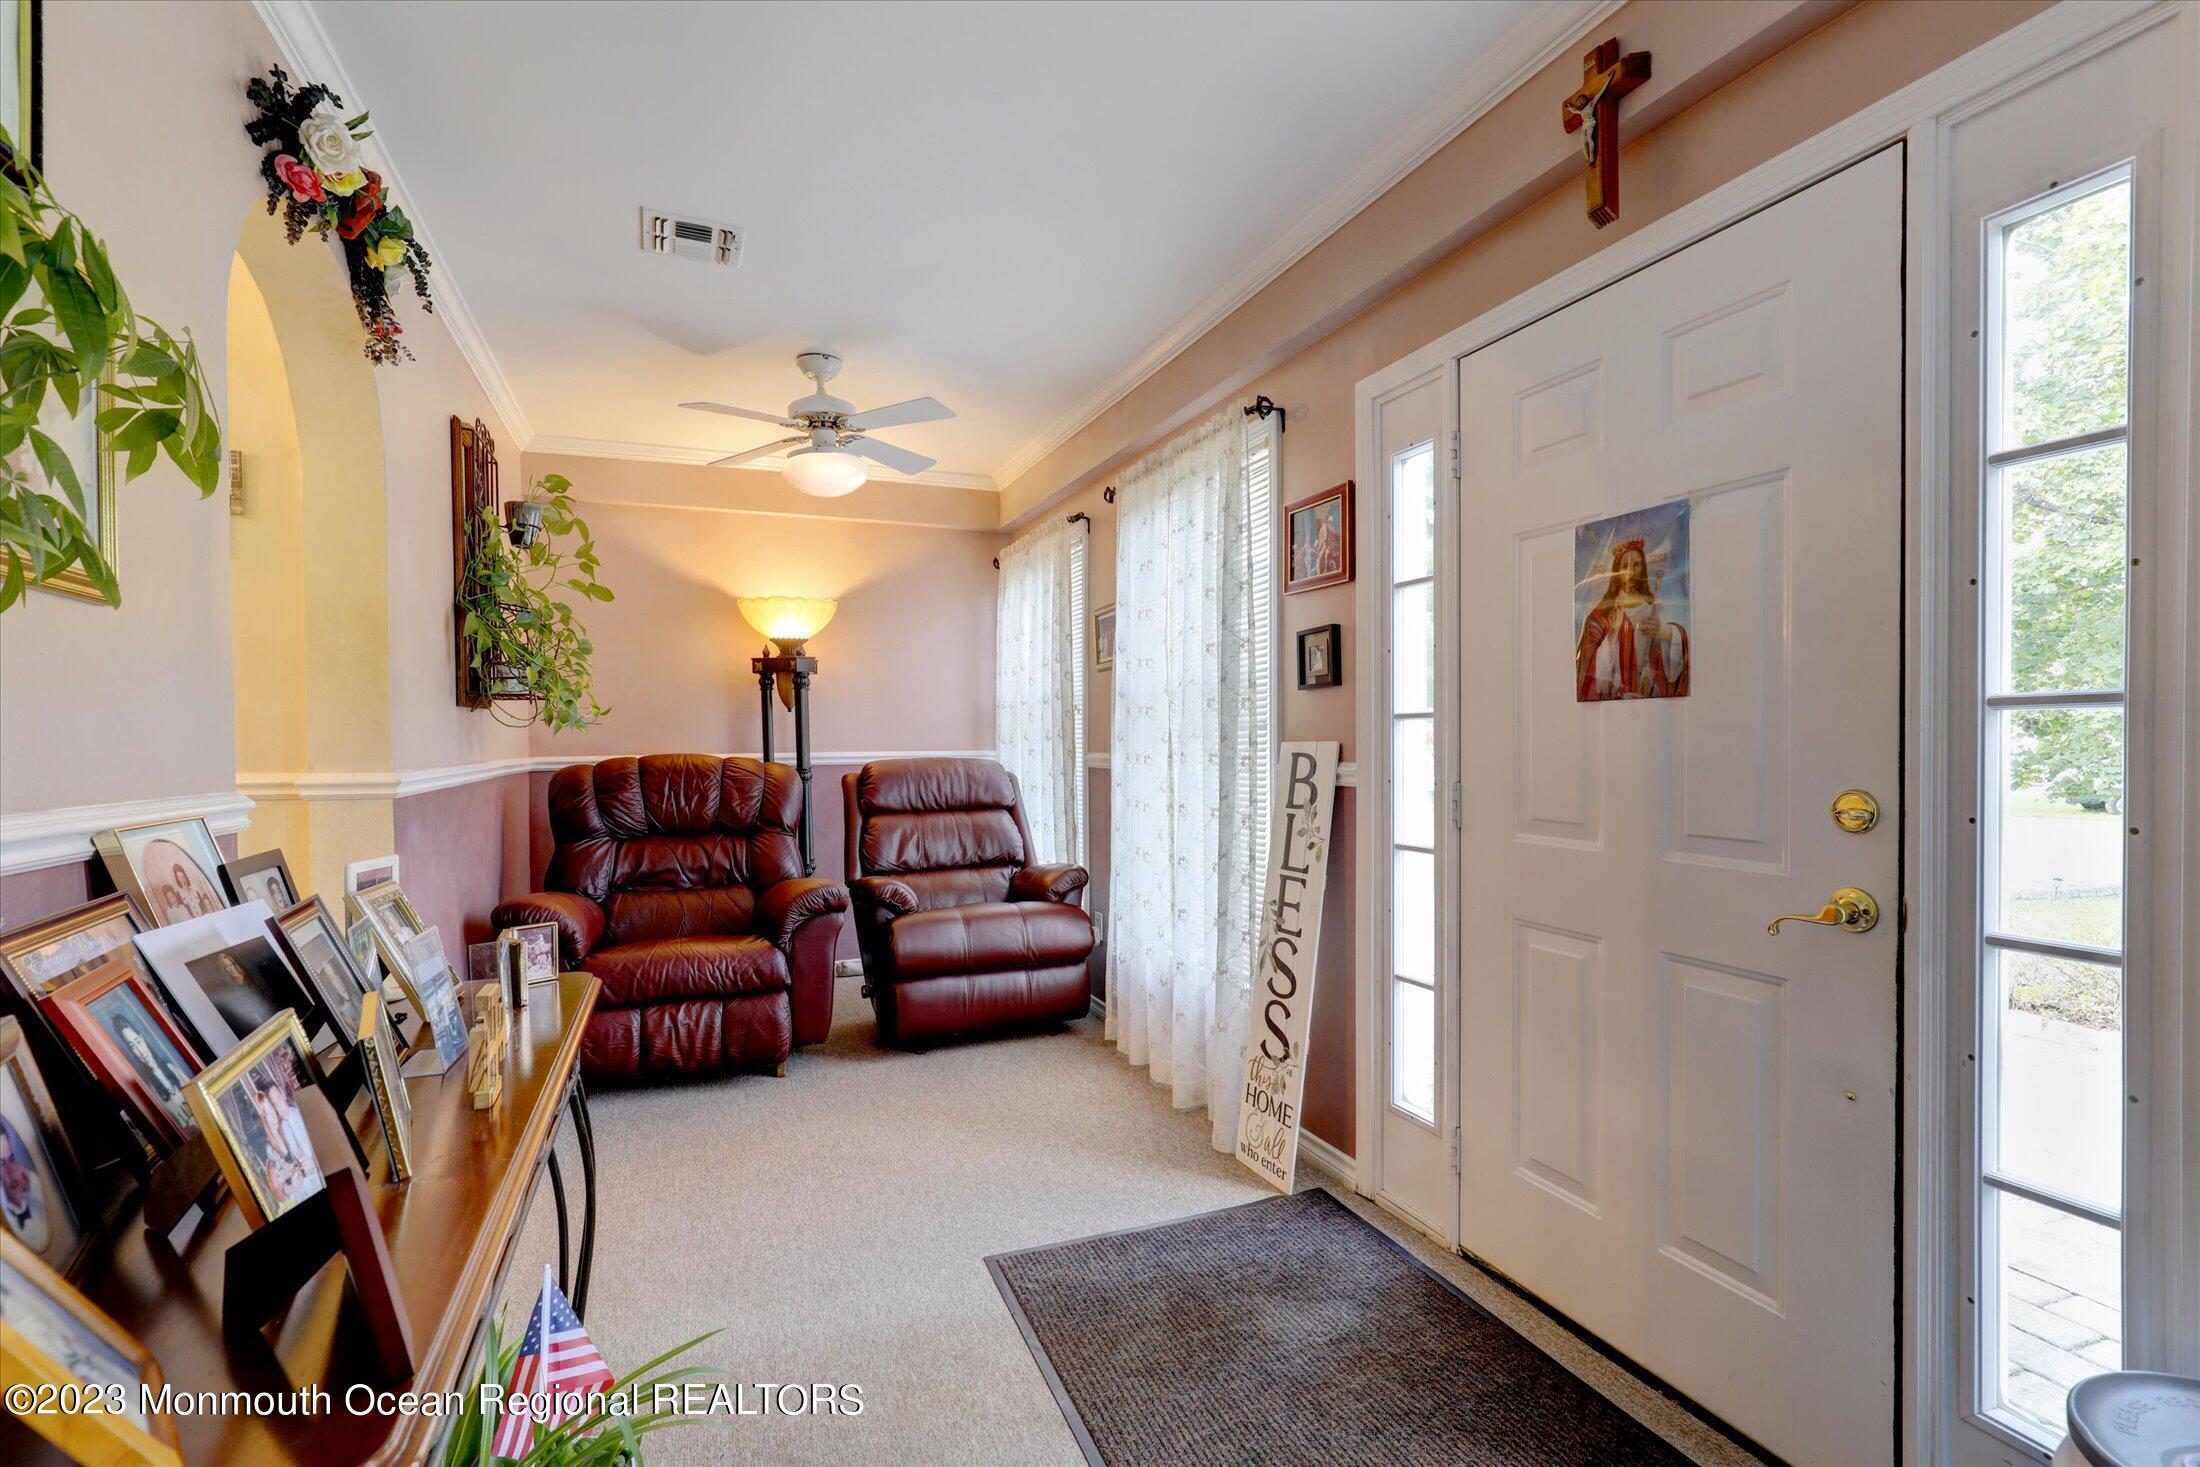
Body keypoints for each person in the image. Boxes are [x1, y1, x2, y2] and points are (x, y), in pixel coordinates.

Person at [1575, 537, 1689, 701]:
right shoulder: (1601, 616)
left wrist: (1663, 633)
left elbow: (1678, 652)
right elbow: (1588, 671)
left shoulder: (1654, 608)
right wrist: (1612, 635)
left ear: (1643, 568)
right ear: (1616, 572)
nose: (1630, 573)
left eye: (1636, 565)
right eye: (1624, 566)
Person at [0, 1116, 50, 1252]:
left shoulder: (36, 1197)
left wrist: (32, 1184)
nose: (11, 1172)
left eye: (11, 1159)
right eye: (1, 1164)